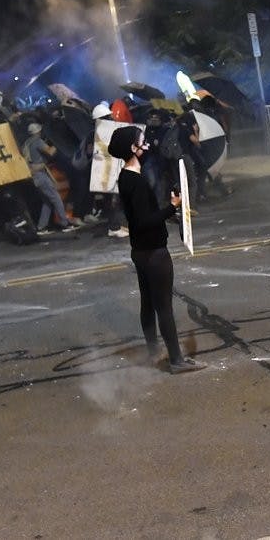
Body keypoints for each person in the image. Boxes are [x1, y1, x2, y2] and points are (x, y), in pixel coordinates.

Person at [107, 125, 205, 374]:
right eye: (142, 142)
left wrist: (167, 210)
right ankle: (176, 360)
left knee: (148, 303)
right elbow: (144, 221)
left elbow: (144, 214)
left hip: (140, 251)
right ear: (133, 148)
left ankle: (153, 351)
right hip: (154, 254)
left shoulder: (126, 176)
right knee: (164, 307)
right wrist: (172, 207)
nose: (148, 145)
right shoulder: (135, 181)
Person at [22, 122, 80, 235]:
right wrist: (56, 143)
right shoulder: (37, 141)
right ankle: (65, 223)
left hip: (33, 174)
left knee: (47, 201)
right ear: (38, 131)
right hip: (40, 174)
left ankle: (41, 227)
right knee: (56, 198)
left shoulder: (27, 143)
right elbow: (50, 152)